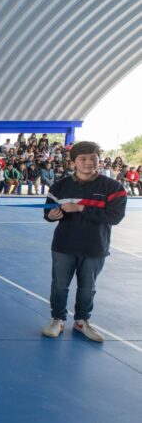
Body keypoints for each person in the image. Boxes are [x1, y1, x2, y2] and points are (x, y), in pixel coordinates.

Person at [42, 141, 127, 342]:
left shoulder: (113, 187)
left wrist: (81, 208)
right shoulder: (59, 187)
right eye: (83, 159)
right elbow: (47, 213)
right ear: (73, 163)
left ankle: (81, 322)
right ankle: (58, 320)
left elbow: (114, 217)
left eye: (93, 158)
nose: (88, 162)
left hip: (95, 246)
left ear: (99, 161)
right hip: (64, 246)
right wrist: (52, 216)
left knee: (88, 288)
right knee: (60, 286)